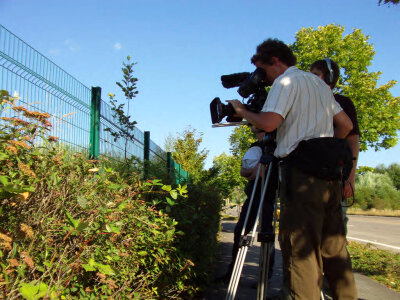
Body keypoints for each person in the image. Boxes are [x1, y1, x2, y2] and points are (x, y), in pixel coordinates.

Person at [228, 38, 357, 299]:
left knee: (301, 252)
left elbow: (268, 123)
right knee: (334, 250)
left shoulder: (285, 81)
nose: (262, 79)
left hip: (301, 176)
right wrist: (325, 150)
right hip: (330, 176)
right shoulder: (319, 85)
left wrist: (242, 111)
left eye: (262, 70)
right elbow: (344, 126)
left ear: (274, 61)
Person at [220, 125, 277, 284]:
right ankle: (232, 272)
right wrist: (254, 172)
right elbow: (244, 172)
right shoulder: (255, 147)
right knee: (240, 231)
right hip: (253, 194)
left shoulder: (275, 147)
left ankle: (264, 278)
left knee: (266, 234)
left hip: (267, 195)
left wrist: (255, 172)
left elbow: (261, 173)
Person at [310, 58, 360, 232]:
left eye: (315, 75)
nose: (311, 79)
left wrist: (350, 179)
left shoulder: (343, 103)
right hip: (307, 177)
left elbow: (353, 141)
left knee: (335, 231)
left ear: (329, 79)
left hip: (336, 177)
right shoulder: (306, 105)